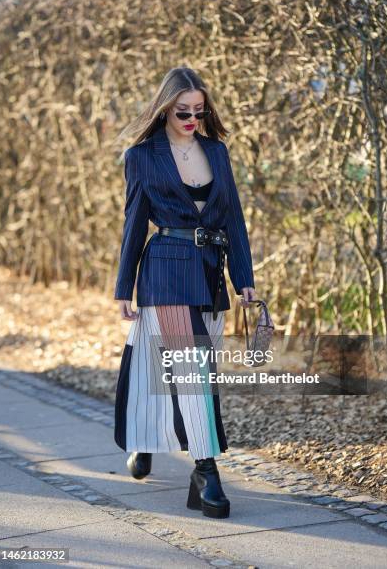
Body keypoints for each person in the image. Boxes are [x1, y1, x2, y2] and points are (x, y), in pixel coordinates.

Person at [113, 66, 256, 519]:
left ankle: (145, 436)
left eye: (199, 111)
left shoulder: (217, 151)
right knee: (191, 373)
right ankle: (206, 472)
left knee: (185, 372)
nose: (192, 118)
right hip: (165, 272)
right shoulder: (142, 155)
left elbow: (232, 216)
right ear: (165, 109)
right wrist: (123, 287)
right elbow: (134, 221)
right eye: (183, 112)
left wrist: (244, 277)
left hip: (212, 274)